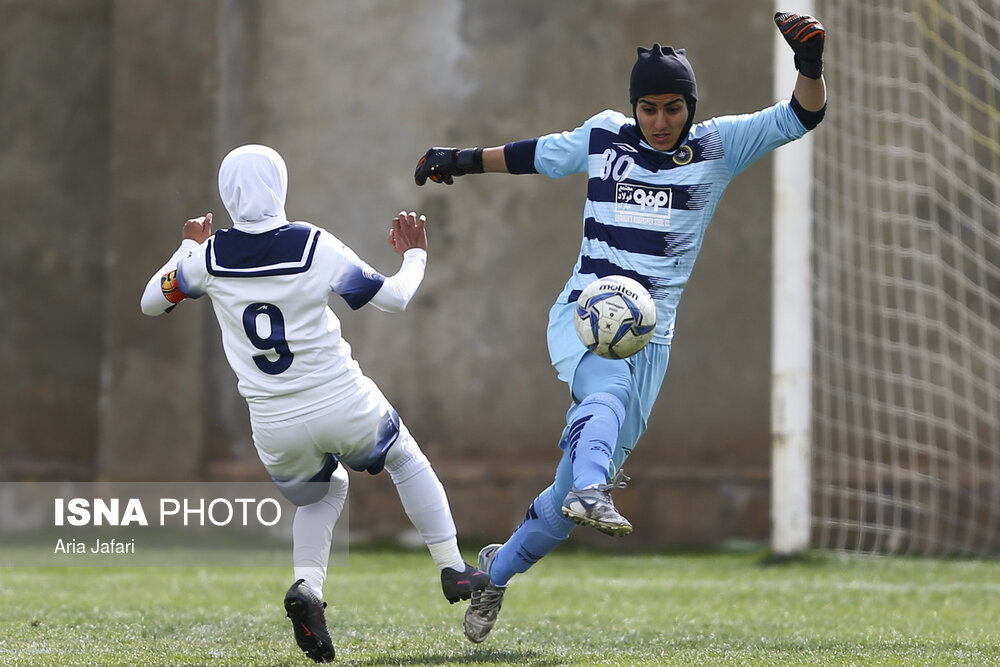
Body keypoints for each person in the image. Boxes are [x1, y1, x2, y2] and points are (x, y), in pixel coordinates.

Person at [413, 11, 827, 643]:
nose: (659, 121)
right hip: (583, 311)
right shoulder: (606, 136)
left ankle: (496, 570)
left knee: (561, 506)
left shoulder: (720, 146)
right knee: (601, 406)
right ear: (633, 108)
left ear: (690, 107)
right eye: (648, 108)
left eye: (671, 108)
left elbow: (802, 116)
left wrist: (810, 65)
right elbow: (535, 155)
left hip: (650, 341)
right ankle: (591, 488)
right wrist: (459, 160)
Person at [140, 144, 488, 663]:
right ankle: (452, 565)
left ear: (226, 191)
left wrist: (185, 248)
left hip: (272, 422)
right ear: (280, 185)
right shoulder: (313, 243)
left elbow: (151, 303)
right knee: (403, 457)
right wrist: (415, 256)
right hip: (339, 399)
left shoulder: (207, 259)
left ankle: (307, 585)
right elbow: (394, 299)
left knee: (323, 496)